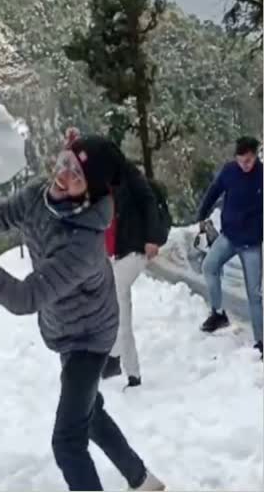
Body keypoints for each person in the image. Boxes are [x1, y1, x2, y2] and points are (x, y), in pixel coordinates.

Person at [0, 135, 164, 491]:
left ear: (90, 193)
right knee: (90, 414)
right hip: (65, 328)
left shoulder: (83, 244)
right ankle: (142, 479)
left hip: (91, 338)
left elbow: (25, 298)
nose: (64, 174)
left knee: (68, 442)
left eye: (77, 176)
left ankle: (138, 478)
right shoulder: (39, 194)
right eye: (65, 161)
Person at [101, 159, 166, 387]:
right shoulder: (101, 186)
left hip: (133, 253)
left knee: (117, 304)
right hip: (113, 257)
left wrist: (152, 239)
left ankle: (113, 357)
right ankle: (132, 373)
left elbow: (150, 206)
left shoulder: (129, 184)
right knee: (121, 309)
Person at [196, 136, 263, 356]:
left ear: (256, 156)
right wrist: (202, 214)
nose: (245, 164)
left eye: (249, 160)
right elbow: (214, 191)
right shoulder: (229, 171)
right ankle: (218, 313)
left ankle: (261, 341)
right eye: (242, 160)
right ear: (236, 157)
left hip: (251, 243)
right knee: (209, 266)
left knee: (253, 294)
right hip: (229, 237)